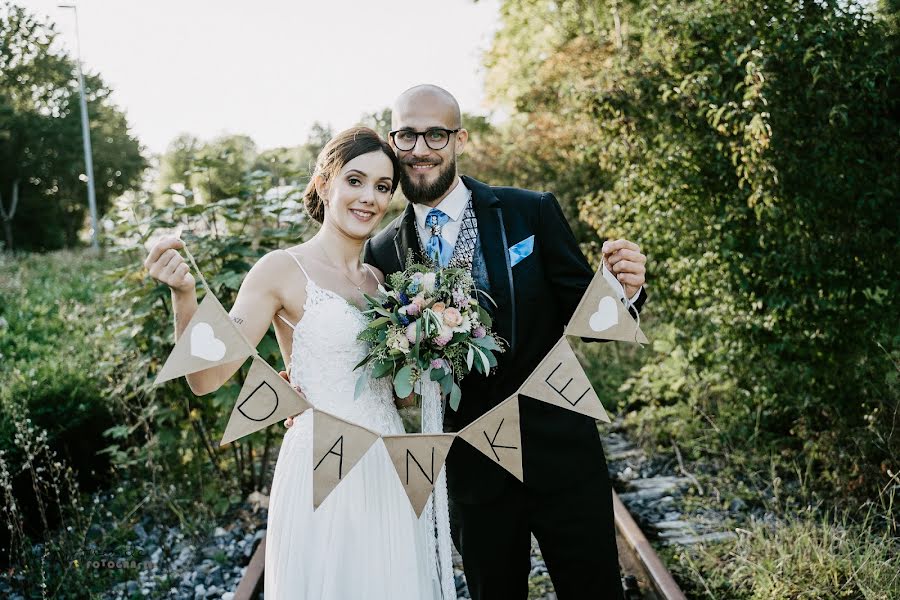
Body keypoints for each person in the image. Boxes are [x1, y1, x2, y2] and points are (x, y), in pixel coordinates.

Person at [364, 85, 649, 599]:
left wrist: (625, 294)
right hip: (472, 472)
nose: (421, 148)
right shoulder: (382, 251)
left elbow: (582, 310)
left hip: (560, 450)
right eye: (407, 134)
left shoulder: (529, 213)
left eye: (436, 134)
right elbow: (385, 361)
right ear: (393, 140)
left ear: (460, 139)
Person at [143, 127, 441, 600]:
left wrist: (433, 345)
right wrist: (185, 297)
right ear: (325, 184)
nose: (369, 197)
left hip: (388, 463)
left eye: (383, 187)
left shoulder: (383, 282)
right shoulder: (281, 270)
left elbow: (400, 393)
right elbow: (206, 378)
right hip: (322, 470)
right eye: (355, 180)